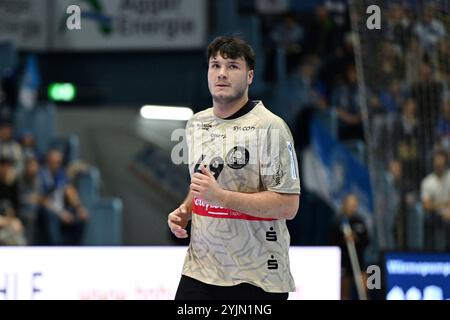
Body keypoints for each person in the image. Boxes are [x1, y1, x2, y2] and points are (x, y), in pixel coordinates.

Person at [168, 36, 301, 300]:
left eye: (232, 66)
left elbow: (288, 206)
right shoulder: (196, 124)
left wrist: (221, 197)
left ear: (250, 76)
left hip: (257, 277)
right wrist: (185, 210)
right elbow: (201, 185)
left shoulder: (271, 128)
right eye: (215, 65)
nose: (222, 74)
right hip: (201, 271)